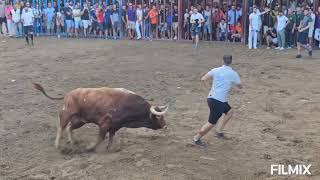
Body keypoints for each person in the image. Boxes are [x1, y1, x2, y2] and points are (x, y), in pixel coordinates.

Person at [192, 55, 242, 148]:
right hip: (218, 102)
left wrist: (209, 89)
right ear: (231, 61)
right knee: (211, 123)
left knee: (229, 111)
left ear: (222, 61)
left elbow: (203, 79)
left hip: (213, 98)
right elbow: (240, 85)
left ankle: (219, 131)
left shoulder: (215, 70)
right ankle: (196, 138)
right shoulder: (233, 73)